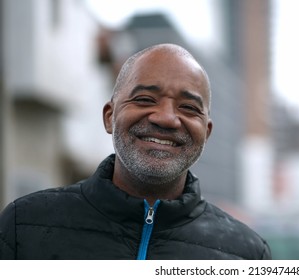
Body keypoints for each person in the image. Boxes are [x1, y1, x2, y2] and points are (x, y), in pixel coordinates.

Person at [0, 43, 271, 260]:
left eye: (188, 107)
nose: (166, 118)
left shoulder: (246, 254)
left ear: (206, 133)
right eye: (144, 99)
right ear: (110, 116)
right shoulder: (23, 225)